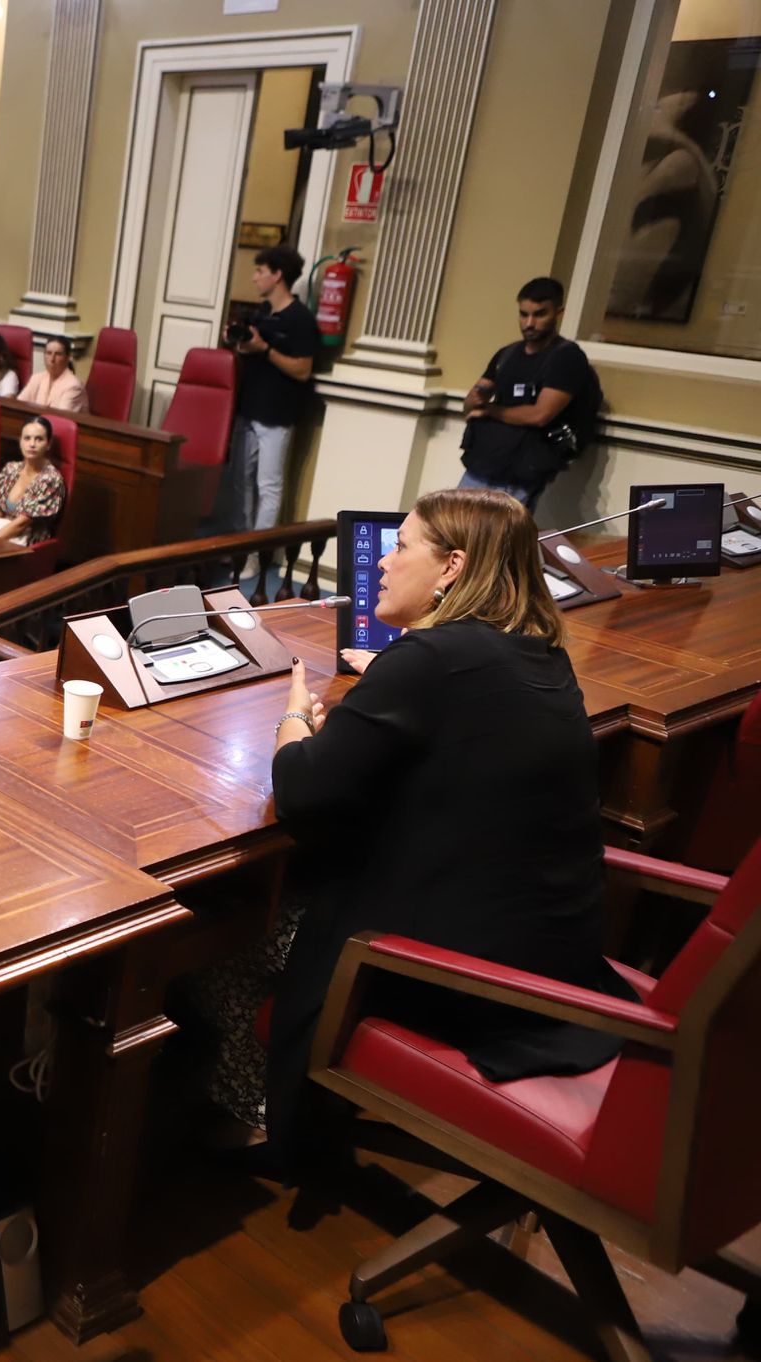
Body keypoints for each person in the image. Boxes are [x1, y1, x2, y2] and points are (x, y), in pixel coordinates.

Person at [254, 488, 632, 1172]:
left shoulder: (426, 663)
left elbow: (302, 792)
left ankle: (269, 1133)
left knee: (248, 927)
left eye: (400, 549)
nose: (382, 565)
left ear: (452, 567)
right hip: (552, 961)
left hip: (465, 982)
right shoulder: (539, 651)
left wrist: (293, 721)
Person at [458, 276, 601, 511]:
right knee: (453, 527)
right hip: (485, 462)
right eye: (524, 315)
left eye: (539, 314)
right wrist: (474, 402)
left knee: (496, 539)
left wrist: (489, 410)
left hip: (523, 469)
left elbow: (540, 415)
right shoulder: (507, 354)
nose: (529, 323)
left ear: (558, 313)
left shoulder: (567, 357)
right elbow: (472, 403)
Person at [227, 245, 315, 531]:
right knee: (240, 482)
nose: (254, 278)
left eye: (260, 271)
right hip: (248, 408)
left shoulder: (300, 319)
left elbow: (302, 370)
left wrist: (265, 349)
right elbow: (248, 348)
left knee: (268, 487)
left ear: (277, 275)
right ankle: (238, 547)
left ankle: (257, 556)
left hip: (277, 415)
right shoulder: (263, 312)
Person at [0, 416, 66, 544]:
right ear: (20, 441)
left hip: (27, 541)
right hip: (2, 531)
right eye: (27, 438)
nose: (32, 444)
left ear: (48, 444)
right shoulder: (11, 469)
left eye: (39, 439)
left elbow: (21, 524)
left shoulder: (51, 479)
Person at [17, 334, 85, 411]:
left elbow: (61, 418)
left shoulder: (74, 386)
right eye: (48, 353)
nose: (52, 359)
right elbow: (19, 405)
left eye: (58, 354)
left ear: (67, 357)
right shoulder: (37, 378)